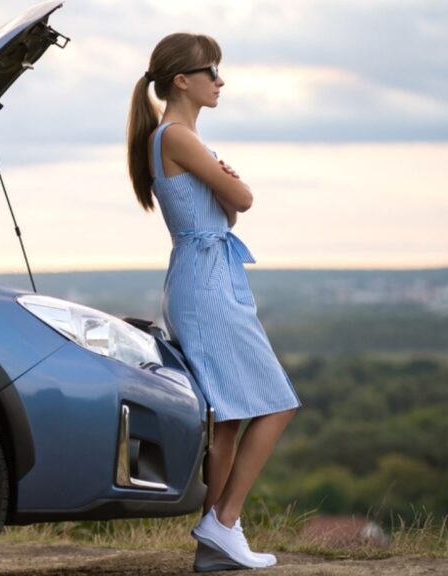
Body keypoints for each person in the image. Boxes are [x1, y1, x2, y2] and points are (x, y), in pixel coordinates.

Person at [126, 33, 301, 571]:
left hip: (203, 275)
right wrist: (229, 182)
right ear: (183, 80)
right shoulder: (177, 135)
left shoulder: (177, 139)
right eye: (212, 72)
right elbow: (242, 199)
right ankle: (223, 521)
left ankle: (214, 546)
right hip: (206, 284)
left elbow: (228, 214)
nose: (220, 81)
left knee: (227, 418)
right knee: (277, 403)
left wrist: (227, 188)